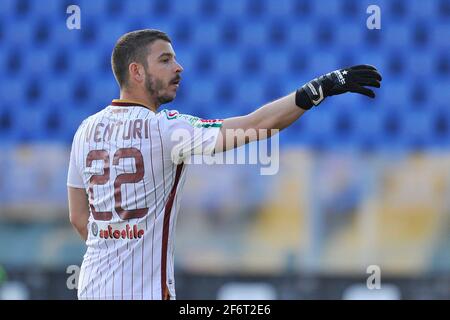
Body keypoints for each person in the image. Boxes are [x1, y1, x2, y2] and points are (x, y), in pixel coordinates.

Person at [67, 29, 382, 300]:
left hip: (92, 287)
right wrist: (319, 89)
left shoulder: (85, 130)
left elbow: (79, 217)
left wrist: (118, 247)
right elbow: (256, 126)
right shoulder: (166, 129)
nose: (179, 67)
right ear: (135, 71)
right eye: (165, 60)